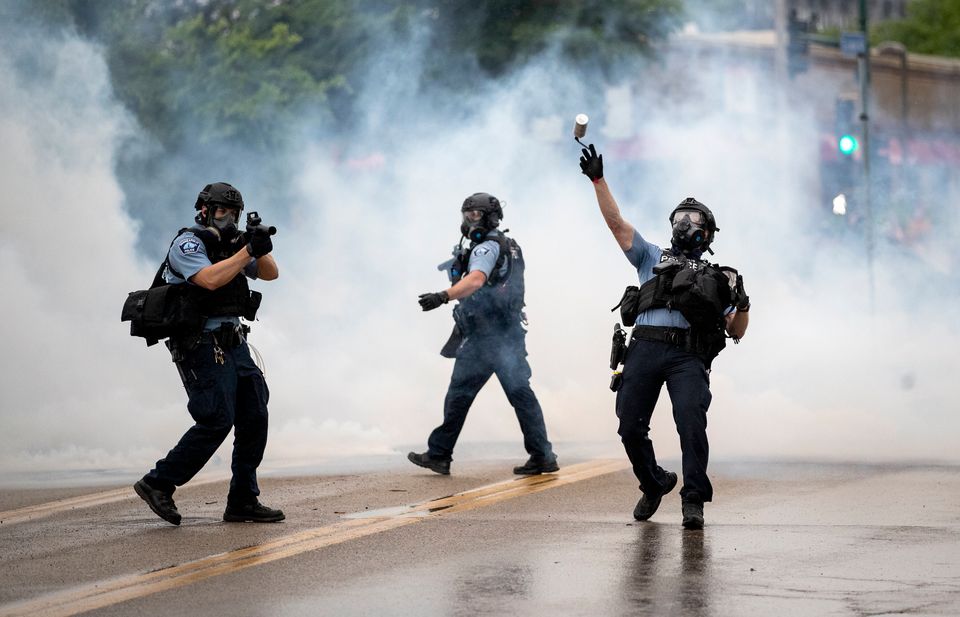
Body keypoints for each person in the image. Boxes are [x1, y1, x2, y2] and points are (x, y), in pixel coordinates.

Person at [579, 145, 750, 530]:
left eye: (693, 220)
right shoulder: (650, 256)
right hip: (644, 347)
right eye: (680, 217)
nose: (684, 224)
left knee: (691, 424)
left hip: (686, 357)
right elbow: (617, 224)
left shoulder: (717, 278)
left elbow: (735, 331)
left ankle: (693, 500)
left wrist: (743, 301)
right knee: (629, 425)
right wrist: (598, 180)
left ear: (707, 233)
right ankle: (654, 482)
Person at [133, 182, 284, 525]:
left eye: (233, 213)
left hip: (234, 342)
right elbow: (209, 280)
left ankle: (243, 499)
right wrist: (246, 252)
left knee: (255, 414)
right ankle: (158, 482)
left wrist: (259, 244)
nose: (227, 218)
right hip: (199, 343)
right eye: (221, 211)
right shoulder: (189, 242)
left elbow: (271, 274)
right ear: (204, 210)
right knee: (216, 418)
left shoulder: (233, 244)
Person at [408, 192, 558, 476]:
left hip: (485, 337)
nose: (468, 220)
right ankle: (542, 455)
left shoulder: (485, 248)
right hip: (507, 333)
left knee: (461, 394)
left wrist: (443, 296)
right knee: (516, 393)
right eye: (467, 214)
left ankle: (440, 454)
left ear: (488, 217)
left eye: (474, 214)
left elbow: (476, 280)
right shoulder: (509, 245)